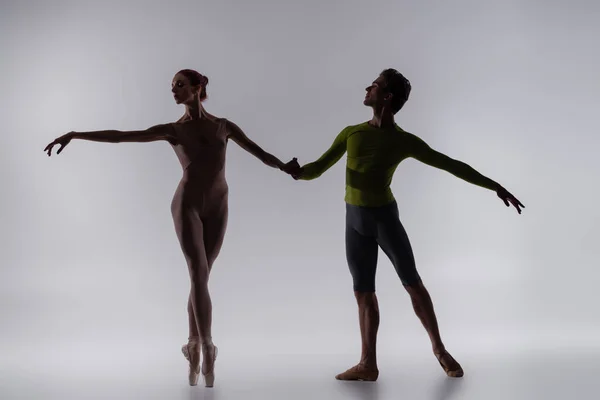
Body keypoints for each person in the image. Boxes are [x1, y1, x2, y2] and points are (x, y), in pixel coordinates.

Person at [43, 69, 298, 388]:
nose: (173, 90)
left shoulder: (223, 126)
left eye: (179, 85)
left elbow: (260, 153)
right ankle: (208, 348)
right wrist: (76, 133)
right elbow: (122, 136)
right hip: (187, 203)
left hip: (219, 204)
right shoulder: (173, 130)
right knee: (196, 272)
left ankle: (193, 345)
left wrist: (285, 167)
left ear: (197, 87)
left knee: (203, 276)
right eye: (172, 86)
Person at [281, 68, 524, 381]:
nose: (367, 87)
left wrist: (495, 186)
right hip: (354, 221)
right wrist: (297, 172)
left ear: (387, 97)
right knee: (363, 291)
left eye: (375, 85)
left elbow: (451, 165)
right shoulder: (351, 133)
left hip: (384, 219)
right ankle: (368, 364)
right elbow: (319, 166)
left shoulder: (404, 142)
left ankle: (439, 349)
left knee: (412, 283)